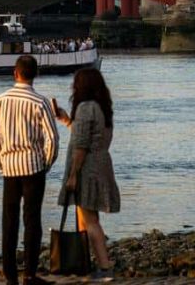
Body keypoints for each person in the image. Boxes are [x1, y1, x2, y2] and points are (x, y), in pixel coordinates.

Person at [0, 55, 59, 285]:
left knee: (9, 221)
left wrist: (2, 163)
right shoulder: (40, 102)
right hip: (33, 167)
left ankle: (10, 274)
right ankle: (30, 273)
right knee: (32, 220)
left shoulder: (0, 100)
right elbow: (52, 139)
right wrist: (46, 163)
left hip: (9, 167)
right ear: (35, 74)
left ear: (15, 72)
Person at [53, 68, 120, 280]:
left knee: (90, 220)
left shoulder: (84, 107)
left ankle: (104, 266)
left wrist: (73, 175)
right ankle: (87, 263)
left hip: (87, 169)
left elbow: (81, 146)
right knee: (88, 217)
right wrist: (66, 120)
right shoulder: (101, 108)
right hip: (100, 165)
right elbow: (90, 136)